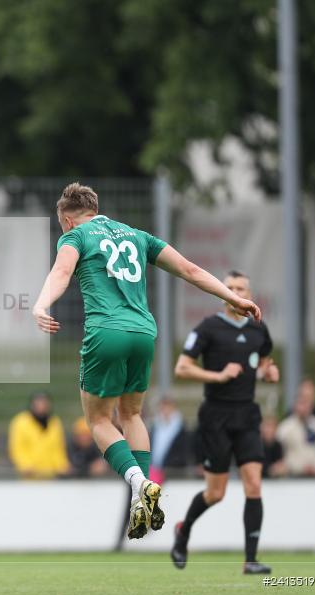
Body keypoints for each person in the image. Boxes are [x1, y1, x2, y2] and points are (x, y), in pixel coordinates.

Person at [32, 183, 260, 541]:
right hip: (143, 333)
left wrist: (41, 304)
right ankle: (144, 493)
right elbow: (189, 269)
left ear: (67, 219)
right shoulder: (137, 235)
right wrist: (233, 298)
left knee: (98, 420)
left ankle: (139, 481)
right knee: (132, 414)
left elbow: (61, 273)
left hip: (106, 332)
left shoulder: (75, 237)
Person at [171, 270, 277, 574]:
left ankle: (251, 560)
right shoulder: (208, 328)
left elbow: (265, 359)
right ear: (221, 293)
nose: (234, 292)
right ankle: (183, 531)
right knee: (215, 493)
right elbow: (182, 368)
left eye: (240, 288)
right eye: (229, 288)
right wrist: (217, 375)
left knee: (254, 484)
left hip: (246, 414)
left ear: (249, 293)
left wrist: (269, 372)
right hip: (215, 416)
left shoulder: (259, 328)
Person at [8, 392, 70, 479]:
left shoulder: (55, 422)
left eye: (44, 403)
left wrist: (62, 465)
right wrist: (24, 465)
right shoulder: (20, 422)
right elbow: (17, 448)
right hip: (28, 477)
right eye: (38, 403)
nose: (41, 407)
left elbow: (58, 448)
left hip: (50, 476)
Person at [277, 386, 315, 476]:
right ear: (295, 405)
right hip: (293, 475)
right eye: (301, 403)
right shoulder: (285, 427)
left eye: (306, 404)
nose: (304, 407)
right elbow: (279, 452)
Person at [148, 396, 191, 481]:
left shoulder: (181, 428)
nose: (165, 411)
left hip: (172, 472)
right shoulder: (155, 426)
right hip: (153, 471)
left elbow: (183, 452)